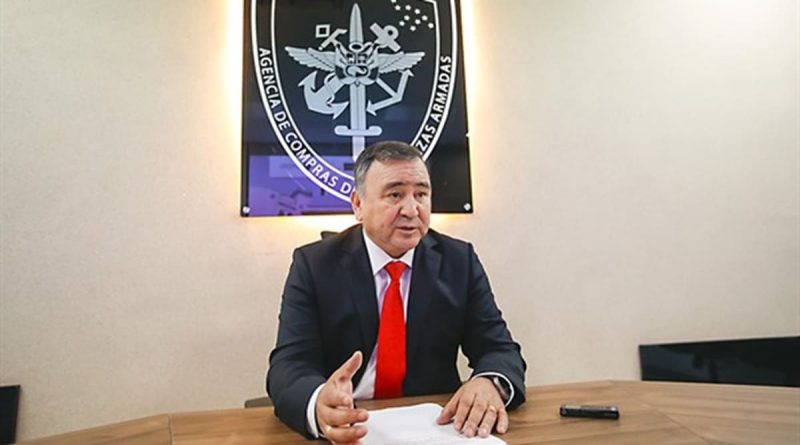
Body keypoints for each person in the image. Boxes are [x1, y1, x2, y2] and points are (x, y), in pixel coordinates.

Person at [267, 141, 526, 443]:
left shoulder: (459, 261)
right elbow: (289, 365)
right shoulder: (315, 265)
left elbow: (499, 349)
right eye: (395, 195)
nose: (412, 210)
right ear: (358, 204)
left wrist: (489, 382)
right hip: (350, 428)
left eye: (421, 194)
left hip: (436, 430)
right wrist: (318, 405)